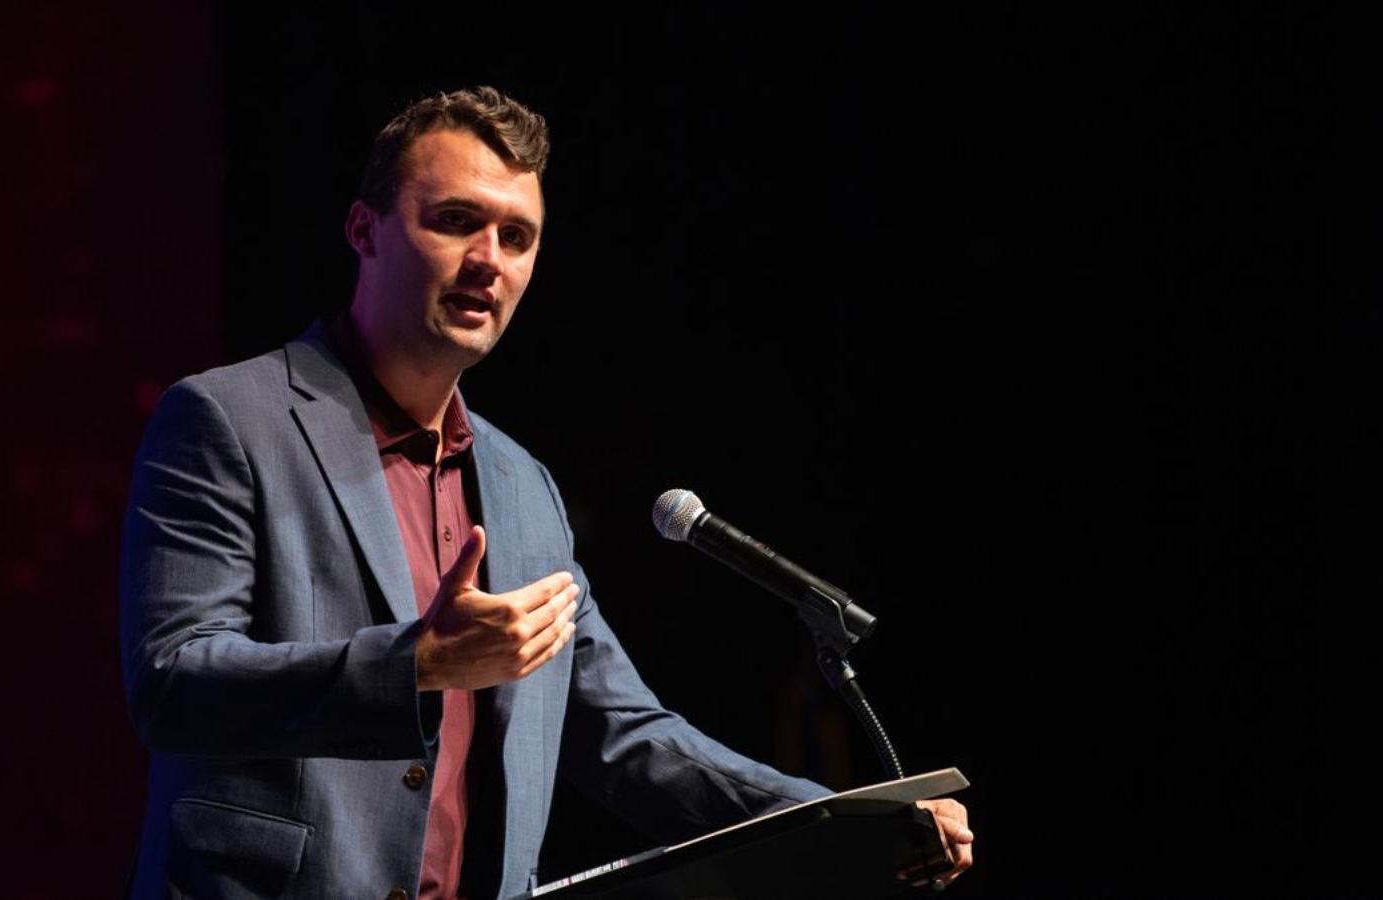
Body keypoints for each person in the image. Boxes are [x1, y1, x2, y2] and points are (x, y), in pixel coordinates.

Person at [118, 84, 973, 899]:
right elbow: (172, 681)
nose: (488, 261)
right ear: (364, 230)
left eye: (517, 236)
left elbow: (620, 732)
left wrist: (841, 822)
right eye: (455, 221)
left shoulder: (523, 487)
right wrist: (416, 666)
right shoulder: (230, 419)